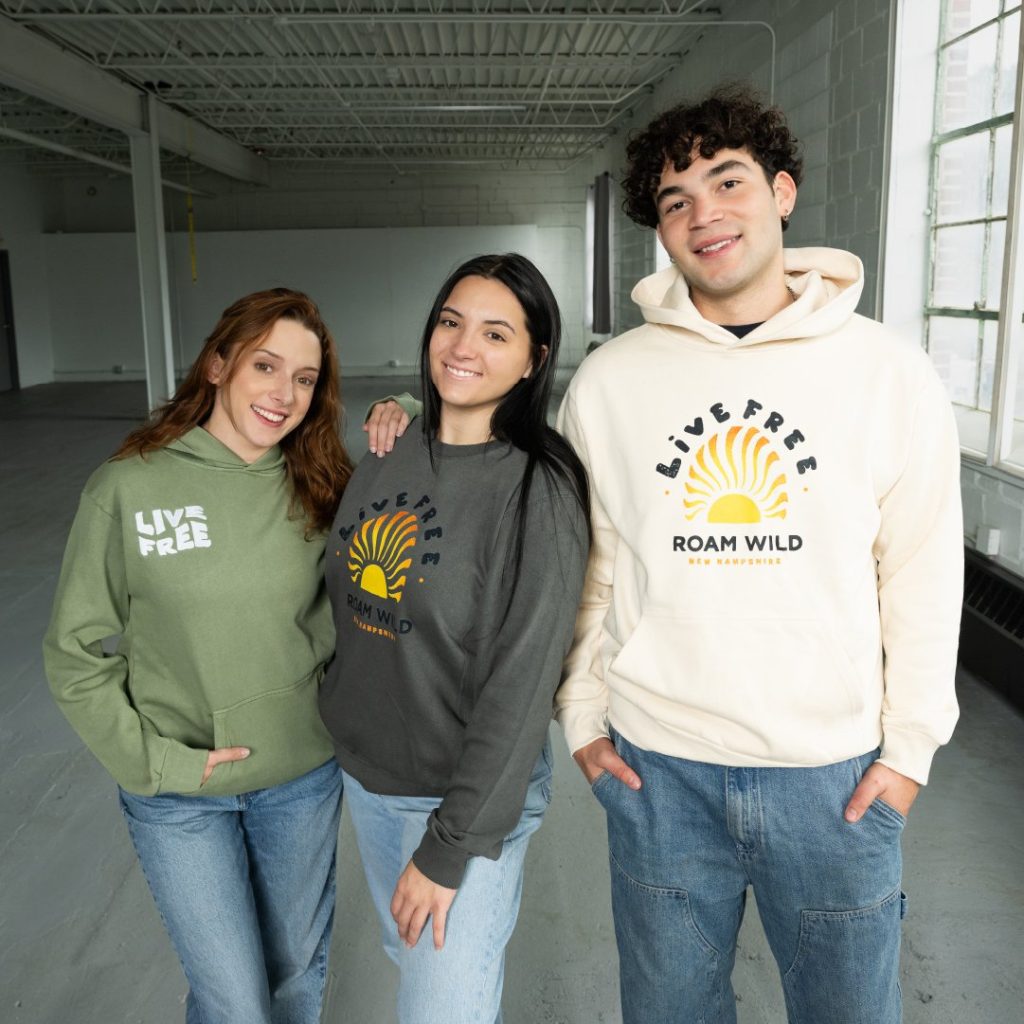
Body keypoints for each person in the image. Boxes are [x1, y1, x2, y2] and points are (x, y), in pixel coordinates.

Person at [554, 85, 963, 1024]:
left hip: (834, 779)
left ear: (781, 192)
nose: (704, 214)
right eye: (676, 200)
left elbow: (921, 572)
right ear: (661, 229)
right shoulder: (611, 383)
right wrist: (580, 716)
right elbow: (594, 567)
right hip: (658, 769)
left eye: (728, 182)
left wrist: (909, 752)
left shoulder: (887, 373)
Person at [43, 288, 414, 1024]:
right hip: (180, 792)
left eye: (304, 379)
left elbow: (445, 408)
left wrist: (398, 404)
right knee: (235, 1001)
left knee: (294, 978)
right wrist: (157, 764)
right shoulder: (129, 486)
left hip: (300, 779)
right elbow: (73, 653)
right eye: (264, 366)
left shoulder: (320, 484)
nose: (283, 395)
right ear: (218, 365)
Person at [318, 253, 590, 1024]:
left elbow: (523, 687)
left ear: (534, 359)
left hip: (460, 800)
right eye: (450, 322)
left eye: (496, 333)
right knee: (413, 968)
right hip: (370, 779)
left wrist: (449, 845)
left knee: (442, 1007)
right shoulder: (388, 448)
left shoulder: (537, 487)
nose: (463, 346)